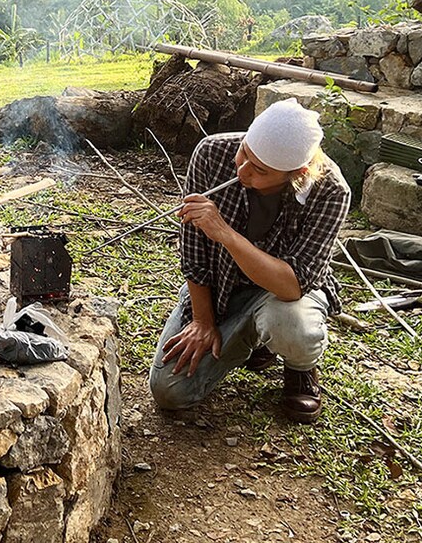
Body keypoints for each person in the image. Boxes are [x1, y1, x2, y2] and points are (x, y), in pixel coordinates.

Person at [147, 98, 351, 423]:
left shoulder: (330, 191)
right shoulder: (212, 153)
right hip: (221, 285)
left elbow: (292, 285)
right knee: (170, 391)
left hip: (279, 293)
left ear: (295, 173)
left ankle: (299, 369)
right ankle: (252, 339)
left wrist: (226, 234)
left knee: (291, 326)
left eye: (259, 170)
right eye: (244, 153)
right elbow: (194, 250)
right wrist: (202, 320)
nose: (242, 171)